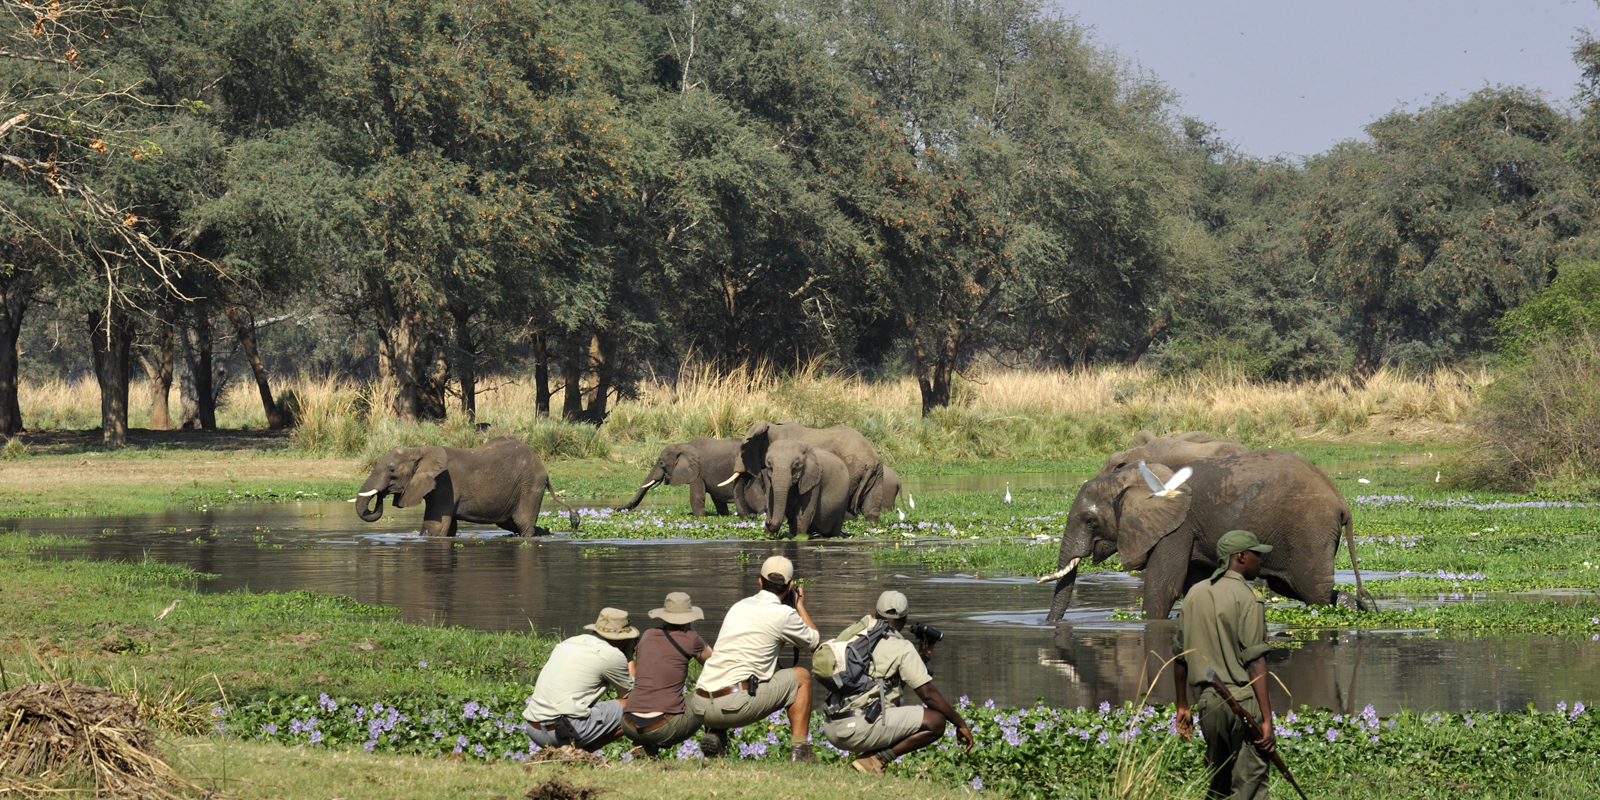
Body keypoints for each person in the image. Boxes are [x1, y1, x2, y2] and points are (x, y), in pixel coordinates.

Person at [1172, 530, 1277, 800]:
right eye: (1256, 554)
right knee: (1250, 785)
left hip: (1209, 703)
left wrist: (1182, 705)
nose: (1260, 560)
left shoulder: (1194, 594)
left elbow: (1180, 657)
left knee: (1217, 783)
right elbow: (1255, 661)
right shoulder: (1248, 597)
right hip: (1243, 700)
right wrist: (1266, 719)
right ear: (1240, 557)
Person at [822, 590, 974, 775]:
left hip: (831, 727)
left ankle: (869, 759)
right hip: (856, 731)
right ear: (905, 618)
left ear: (876, 614)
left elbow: (885, 680)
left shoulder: (856, 636)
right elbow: (928, 695)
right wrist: (960, 723)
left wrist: (922, 658)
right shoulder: (902, 648)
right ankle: (877, 760)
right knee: (936, 721)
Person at [689, 555, 821, 762]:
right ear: (790, 586)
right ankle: (800, 751)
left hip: (700, 704)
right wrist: (799, 605)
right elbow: (815, 642)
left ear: (760, 581)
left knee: (729, 670)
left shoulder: (738, 607)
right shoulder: (784, 614)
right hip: (734, 706)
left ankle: (716, 735)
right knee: (802, 677)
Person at [523, 607, 639, 752]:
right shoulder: (612, 655)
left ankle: (575, 753)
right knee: (637, 708)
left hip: (534, 730)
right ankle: (583, 752)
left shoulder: (569, 642)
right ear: (623, 638)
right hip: (564, 733)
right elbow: (633, 696)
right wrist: (628, 655)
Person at [622, 592, 713, 756]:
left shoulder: (648, 634)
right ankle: (715, 738)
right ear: (689, 618)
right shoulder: (691, 639)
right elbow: (713, 662)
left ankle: (643, 746)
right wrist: (693, 632)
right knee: (709, 695)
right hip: (663, 726)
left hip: (629, 723)